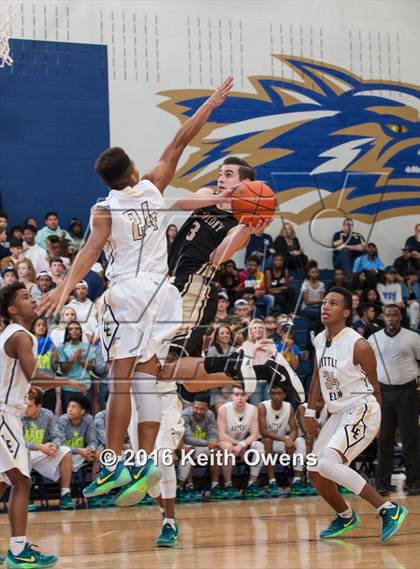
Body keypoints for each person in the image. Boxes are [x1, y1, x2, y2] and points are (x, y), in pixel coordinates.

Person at [38, 76, 236, 506]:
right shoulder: (152, 186)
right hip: (163, 296)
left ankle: (111, 464)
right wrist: (211, 103)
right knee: (147, 380)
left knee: (119, 383)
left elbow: (91, 251)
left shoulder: (104, 208)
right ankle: (144, 460)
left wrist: (64, 287)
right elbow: (181, 139)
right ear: (131, 171)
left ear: (109, 182)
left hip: (128, 295)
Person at [304, 286, 407, 542]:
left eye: (333, 303)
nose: (325, 306)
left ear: (347, 312)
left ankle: (389, 510)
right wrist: (309, 410)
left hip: (362, 408)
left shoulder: (359, 345)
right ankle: (345, 515)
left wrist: (376, 424)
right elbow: (318, 376)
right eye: (325, 302)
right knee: (315, 471)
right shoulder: (319, 339)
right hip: (337, 413)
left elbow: (375, 389)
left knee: (328, 463)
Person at [0, 282, 85, 568]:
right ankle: (18, 551)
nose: (32, 299)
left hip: (8, 412)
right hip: (3, 415)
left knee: (3, 482)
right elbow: (35, 375)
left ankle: (16, 548)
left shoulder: (11, 334)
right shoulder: (21, 336)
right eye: (25, 297)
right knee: (21, 481)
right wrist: (68, 381)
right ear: (12, 309)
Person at [368, 305, 420, 496]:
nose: (390, 319)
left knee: (410, 438)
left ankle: (414, 482)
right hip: (383, 392)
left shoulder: (413, 337)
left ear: (400, 317)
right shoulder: (373, 339)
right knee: (385, 439)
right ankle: (382, 483)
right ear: (383, 318)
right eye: (387, 315)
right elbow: (366, 366)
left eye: (394, 315)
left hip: (408, 391)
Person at [22, 388, 75, 511]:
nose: (25, 409)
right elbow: (18, 441)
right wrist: (40, 446)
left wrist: (54, 446)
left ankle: (65, 494)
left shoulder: (47, 414)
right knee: (23, 453)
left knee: (66, 451)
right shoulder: (18, 415)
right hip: (25, 451)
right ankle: (25, 497)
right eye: (24, 405)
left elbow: (57, 436)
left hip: (44, 451)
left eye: (29, 406)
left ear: (39, 406)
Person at [218, 384, 265, 498]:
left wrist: (243, 444)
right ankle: (228, 484)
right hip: (227, 442)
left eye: (242, 395)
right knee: (228, 447)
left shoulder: (253, 409)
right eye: (236, 394)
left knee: (259, 446)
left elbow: (254, 434)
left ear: (247, 396)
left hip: (243, 443)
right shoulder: (223, 409)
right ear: (232, 396)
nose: (240, 397)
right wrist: (238, 444)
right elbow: (221, 435)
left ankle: (251, 484)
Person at [259, 383, 305, 496]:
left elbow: (294, 429)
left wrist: (290, 439)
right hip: (263, 443)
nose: (276, 396)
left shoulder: (288, 406)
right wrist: (286, 439)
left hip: (281, 442)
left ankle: (297, 481)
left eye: (279, 394)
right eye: (273, 394)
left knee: (300, 441)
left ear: (284, 395)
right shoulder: (262, 406)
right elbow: (264, 432)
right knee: (267, 440)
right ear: (270, 395)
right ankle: (272, 481)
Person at [177, 394, 224, 501]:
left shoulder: (210, 415)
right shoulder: (186, 415)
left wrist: (213, 442)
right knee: (189, 451)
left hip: (202, 446)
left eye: (202, 409)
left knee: (216, 451)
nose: (198, 411)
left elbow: (212, 433)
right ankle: (189, 486)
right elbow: (188, 438)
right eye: (196, 408)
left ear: (207, 408)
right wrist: (208, 443)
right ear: (193, 406)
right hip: (187, 447)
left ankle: (215, 485)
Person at [57, 394, 99, 503]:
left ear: (82, 411)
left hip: (83, 454)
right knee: (64, 452)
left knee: (99, 453)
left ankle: (96, 492)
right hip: (67, 454)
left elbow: (93, 441)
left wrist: (90, 449)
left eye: (73, 407)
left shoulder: (89, 419)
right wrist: (79, 450)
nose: (69, 410)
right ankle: (65, 494)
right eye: (69, 407)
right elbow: (59, 443)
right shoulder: (63, 420)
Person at [58, 321, 96, 411]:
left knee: (86, 416)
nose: (74, 331)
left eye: (77, 328)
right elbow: (64, 370)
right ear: (67, 332)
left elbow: (91, 367)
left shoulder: (87, 347)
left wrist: (80, 360)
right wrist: (73, 358)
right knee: (68, 416)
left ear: (80, 332)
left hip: (85, 386)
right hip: (68, 388)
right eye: (71, 329)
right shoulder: (62, 348)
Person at [31, 317, 58, 413]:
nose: (41, 327)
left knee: (49, 413)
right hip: (33, 386)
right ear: (33, 328)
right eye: (38, 325)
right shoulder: (29, 343)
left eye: (44, 326)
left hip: (49, 386)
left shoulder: (50, 344)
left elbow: (55, 368)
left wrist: (55, 361)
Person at [207, 326, 236, 414]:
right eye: (222, 333)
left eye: (227, 333)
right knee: (222, 417)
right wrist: (221, 387)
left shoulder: (235, 350)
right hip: (218, 388)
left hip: (233, 388)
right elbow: (210, 371)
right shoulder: (212, 350)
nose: (225, 335)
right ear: (217, 336)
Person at [300, 266, 325, 332]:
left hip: (318, 308)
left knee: (321, 312)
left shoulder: (321, 284)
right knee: (320, 313)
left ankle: (314, 329)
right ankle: (317, 330)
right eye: (312, 272)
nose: (315, 274)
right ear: (308, 273)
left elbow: (322, 300)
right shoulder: (305, 284)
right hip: (306, 309)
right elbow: (307, 302)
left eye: (316, 272)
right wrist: (319, 301)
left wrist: (318, 301)